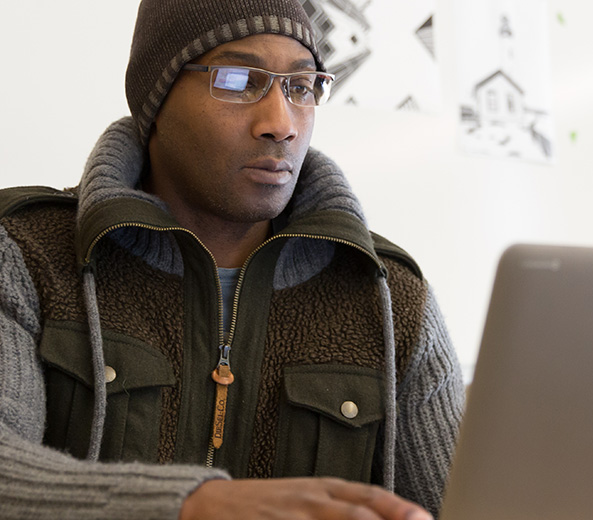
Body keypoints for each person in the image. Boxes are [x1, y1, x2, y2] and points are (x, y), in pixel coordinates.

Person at [0, 0, 465, 518]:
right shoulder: (25, 252)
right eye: (239, 78)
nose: (280, 123)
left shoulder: (391, 300)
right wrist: (194, 505)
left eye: (301, 86)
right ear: (157, 100)